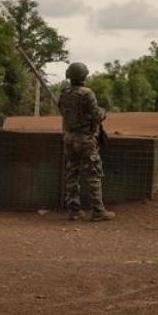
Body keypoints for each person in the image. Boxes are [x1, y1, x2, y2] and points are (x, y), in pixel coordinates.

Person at [57, 62, 114, 222]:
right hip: (85, 139)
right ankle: (98, 211)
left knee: (71, 174)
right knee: (94, 174)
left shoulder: (64, 93)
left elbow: (62, 111)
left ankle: (73, 211)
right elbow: (97, 115)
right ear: (83, 76)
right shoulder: (87, 93)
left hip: (69, 138)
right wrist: (103, 111)